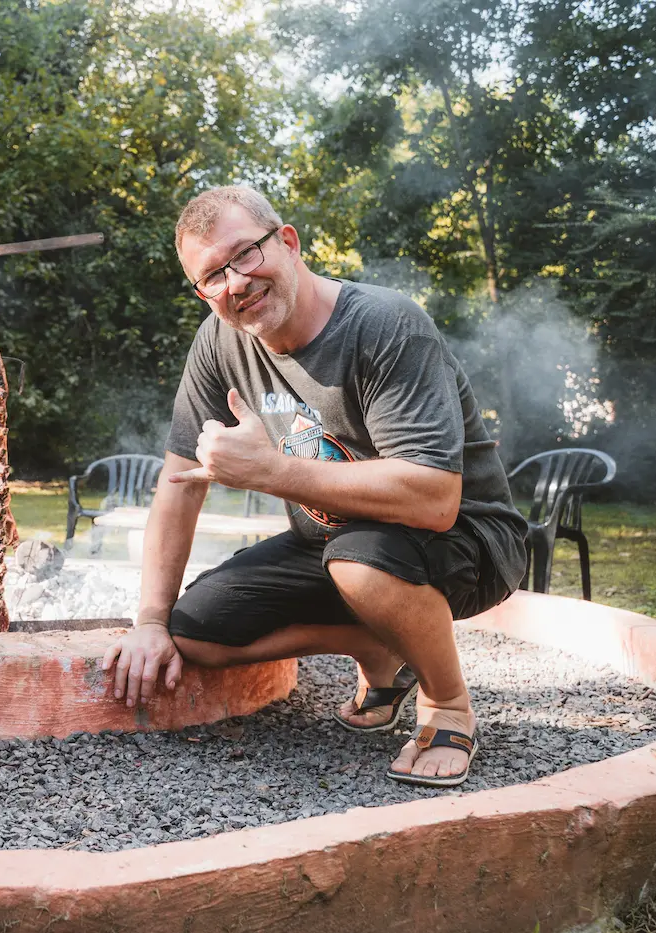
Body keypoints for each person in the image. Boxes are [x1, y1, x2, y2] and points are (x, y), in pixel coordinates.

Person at [102, 186, 527, 788]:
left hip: (468, 539)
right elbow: (178, 484)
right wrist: (149, 620)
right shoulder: (219, 343)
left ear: (288, 242)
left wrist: (272, 472)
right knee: (196, 631)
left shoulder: (385, 325)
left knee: (361, 560)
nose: (235, 283)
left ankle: (448, 705)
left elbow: (435, 499)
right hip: (333, 546)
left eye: (245, 255)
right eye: (212, 277)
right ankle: (380, 649)